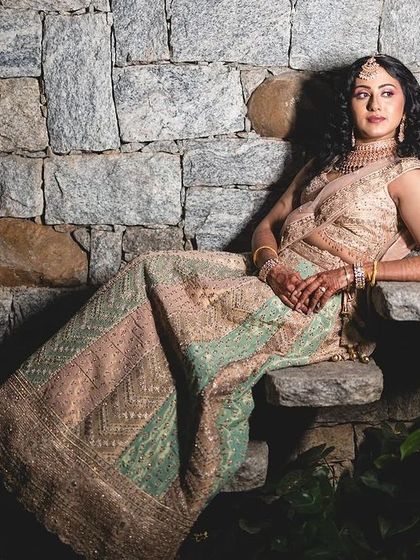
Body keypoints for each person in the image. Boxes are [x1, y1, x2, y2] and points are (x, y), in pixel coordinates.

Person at [0, 54, 420, 560]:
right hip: (269, 275)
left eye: (388, 93)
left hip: (318, 303)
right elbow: (267, 226)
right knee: (152, 269)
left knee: (196, 336)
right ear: (348, 104)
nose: (375, 104)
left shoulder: (405, 175)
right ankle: (33, 420)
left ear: (405, 105)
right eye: (362, 93)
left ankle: (130, 503)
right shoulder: (323, 163)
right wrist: (269, 265)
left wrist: (353, 274)